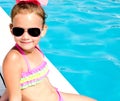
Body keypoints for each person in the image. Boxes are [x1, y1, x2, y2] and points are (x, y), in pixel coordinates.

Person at [1, 0, 96, 101]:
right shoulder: (14, 58)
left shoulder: (36, 47)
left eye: (33, 31)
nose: (25, 37)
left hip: (57, 96)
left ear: (43, 30)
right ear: (11, 29)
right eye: (19, 31)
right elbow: (14, 96)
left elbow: (13, 83)